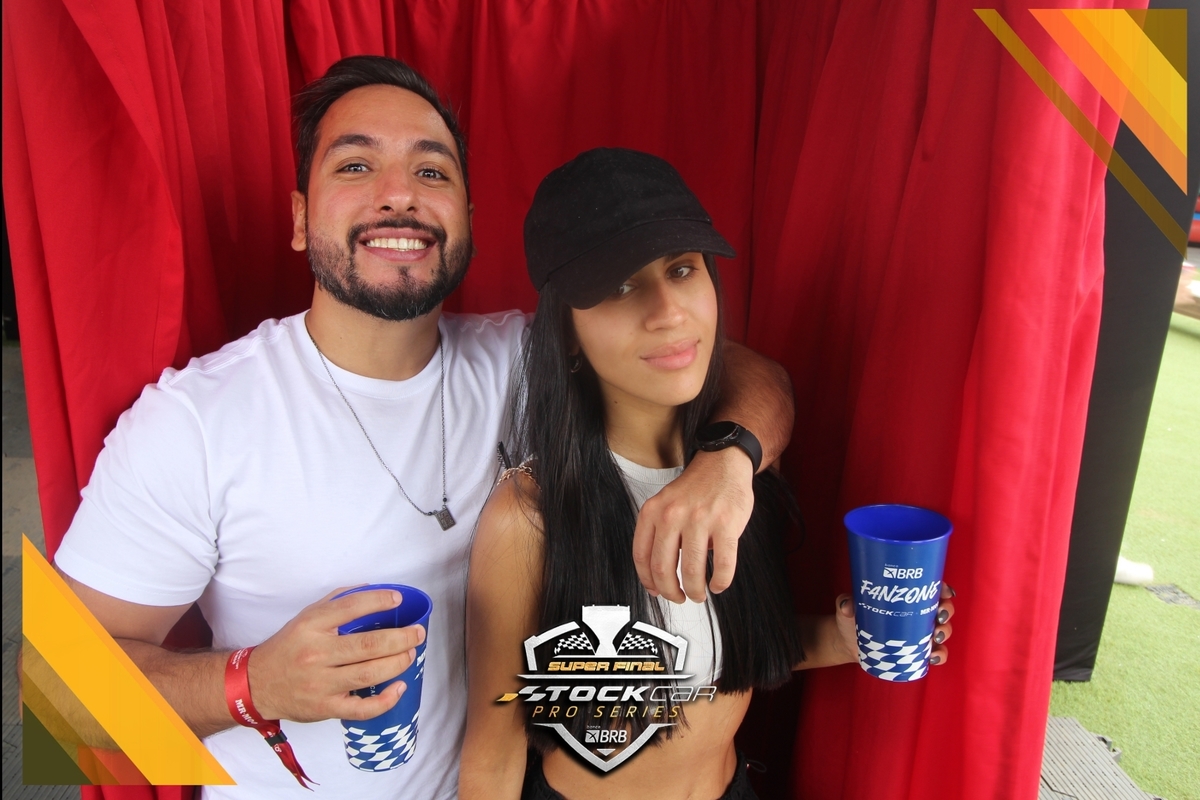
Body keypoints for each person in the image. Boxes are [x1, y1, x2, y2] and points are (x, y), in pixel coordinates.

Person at [51, 57, 797, 798]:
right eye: (355, 166)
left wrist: (726, 465)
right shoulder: (196, 423)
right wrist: (253, 685)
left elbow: (736, 370)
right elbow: (60, 695)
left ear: (467, 220)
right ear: (301, 218)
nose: (399, 194)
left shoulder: (525, 363)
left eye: (431, 171)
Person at [459, 148, 956, 800]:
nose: (669, 311)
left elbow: (727, 655)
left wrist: (845, 639)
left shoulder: (740, 472)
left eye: (682, 269)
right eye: (622, 285)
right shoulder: (529, 518)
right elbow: (492, 759)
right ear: (568, 334)